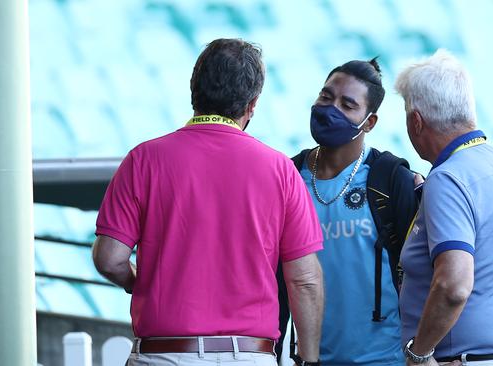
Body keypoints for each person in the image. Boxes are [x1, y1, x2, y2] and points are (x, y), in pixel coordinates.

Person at [92, 38, 325, 366]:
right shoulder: (281, 170)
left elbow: (109, 259)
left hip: (163, 355)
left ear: (193, 90)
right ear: (252, 104)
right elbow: (304, 279)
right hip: (248, 355)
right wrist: (309, 359)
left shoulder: (144, 159)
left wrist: (137, 282)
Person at [394, 49, 493, 366]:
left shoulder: (448, 177)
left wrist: (419, 354)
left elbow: (454, 284)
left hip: (471, 359)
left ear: (416, 121)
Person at [278, 58, 420, 366]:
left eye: (347, 105)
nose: (331, 110)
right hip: (310, 360)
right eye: (326, 97)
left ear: (369, 122)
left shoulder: (390, 179)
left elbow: (423, 271)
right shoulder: (289, 176)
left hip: (384, 359)